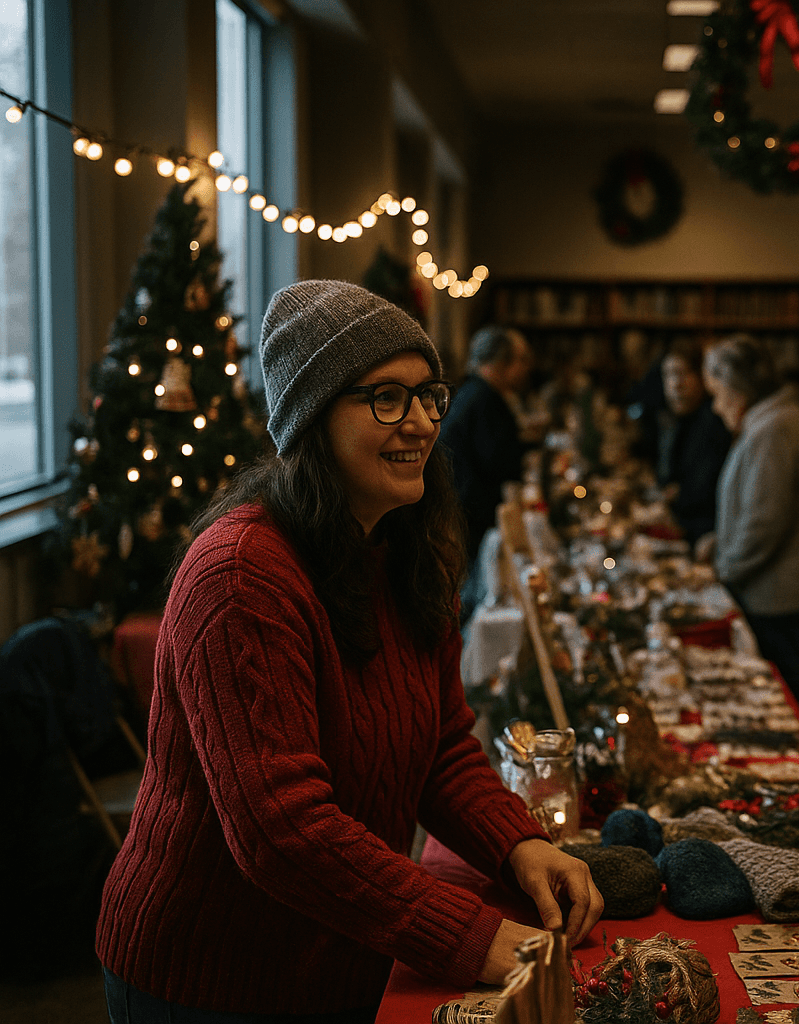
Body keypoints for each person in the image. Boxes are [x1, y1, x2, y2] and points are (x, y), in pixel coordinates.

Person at [96, 281, 602, 1023]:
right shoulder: (241, 575)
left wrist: (519, 845)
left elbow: (441, 750)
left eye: (429, 396)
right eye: (386, 399)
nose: (423, 423)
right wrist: (472, 935)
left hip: (330, 954)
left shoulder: (400, 547)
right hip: (209, 977)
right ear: (312, 418)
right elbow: (283, 832)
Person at [704, 334, 799, 732]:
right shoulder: (777, 420)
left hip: (784, 588)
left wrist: (725, 570)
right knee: (795, 681)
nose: (716, 406)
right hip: (791, 580)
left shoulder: (773, 431)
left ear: (737, 389)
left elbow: (764, 523)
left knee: (791, 690)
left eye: (717, 393)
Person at [439, 325, 538, 585]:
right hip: (470, 513)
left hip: (465, 506)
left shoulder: (474, 391)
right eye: (521, 360)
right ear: (501, 362)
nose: (526, 368)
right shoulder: (484, 398)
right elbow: (496, 461)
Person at [658, 337, 732, 545]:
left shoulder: (713, 421)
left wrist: (676, 495)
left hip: (706, 537)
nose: (675, 384)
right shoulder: (676, 419)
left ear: (702, 377)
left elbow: (704, 493)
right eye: (668, 375)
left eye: (682, 373)